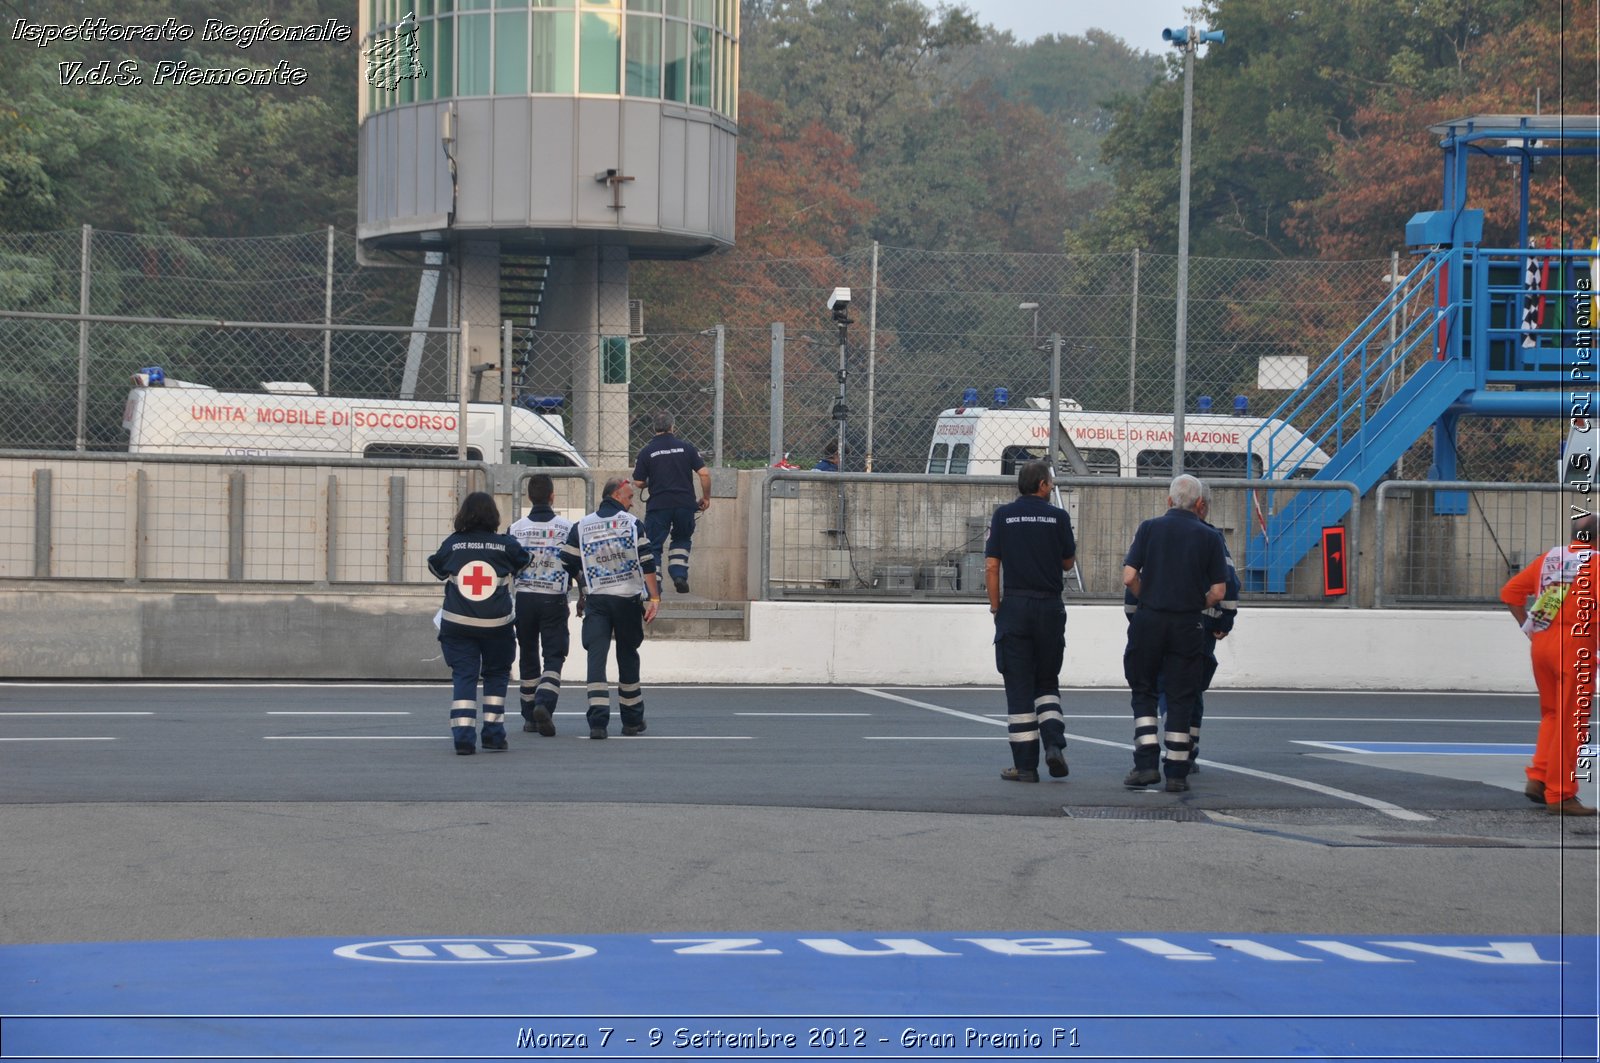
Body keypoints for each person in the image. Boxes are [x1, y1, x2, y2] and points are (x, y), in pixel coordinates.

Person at [1123, 480, 1240, 772]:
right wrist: (1214, 614)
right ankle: (1181, 763)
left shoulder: (1148, 528)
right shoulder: (1211, 536)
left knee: (1146, 689)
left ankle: (1145, 762)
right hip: (1191, 623)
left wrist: (1142, 606)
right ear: (1200, 504)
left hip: (1150, 619)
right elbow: (1224, 588)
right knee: (1186, 693)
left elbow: (1130, 578)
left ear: (1168, 500)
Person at [1499, 511, 1598, 816]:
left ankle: (1540, 778)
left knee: (1553, 715)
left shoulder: (1550, 559)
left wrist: (1528, 629)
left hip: (1542, 641)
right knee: (1573, 722)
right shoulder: (1596, 563)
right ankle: (1561, 793)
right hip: (1576, 646)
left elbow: (1511, 593)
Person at [984, 459, 1077, 783]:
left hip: (1016, 606)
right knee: (1047, 682)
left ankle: (1025, 767)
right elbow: (1068, 563)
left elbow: (992, 566)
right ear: (1041, 485)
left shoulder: (1003, 516)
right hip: (1050, 607)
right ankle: (1054, 744)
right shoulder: (1059, 517)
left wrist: (997, 607)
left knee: (1019, 686)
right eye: (1049, 483)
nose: (1051, 487)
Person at [428, 491, 530, 756]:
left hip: (457, 622)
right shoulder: (506, 544)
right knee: (496, 675)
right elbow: (524, 562)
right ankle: (493, 735)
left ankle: (463, 737)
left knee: (465, 676)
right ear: (494, 516)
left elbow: (437, 567)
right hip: (497, 625)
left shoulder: (453, 543)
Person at [562, 477, 662, 739]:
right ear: (617, 495)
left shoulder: (582, 525)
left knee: (596, 657)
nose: (631, 503)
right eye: (629, 498)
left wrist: (583, 587)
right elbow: (647, 562)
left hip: (597, 600)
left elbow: (567, 560)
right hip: (627, 600)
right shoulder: (631, 524)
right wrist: (654, 598)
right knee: (627, 655)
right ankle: (631, 720)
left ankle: (597, 722)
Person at [508, 474, 581, 738]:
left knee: (527, 653)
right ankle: (544, 704)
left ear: (529, 497)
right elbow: (576, 565)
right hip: (554, 597)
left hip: (524, 598)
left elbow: (509, 564)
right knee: (553, 654)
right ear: (552, 496)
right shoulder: (566, 528)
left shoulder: (515, 528)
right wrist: (583, 596)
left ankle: (529, 716)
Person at [632, 410, 711, 595]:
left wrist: (653, 481)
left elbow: (638, 482)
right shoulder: (686, 448)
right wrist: (706, 497)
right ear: (672, 426)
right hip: (685, 504)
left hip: (659, 505)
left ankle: (655, 587)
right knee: (682, 538)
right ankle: (679, 575)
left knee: (653, 545)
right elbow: (704, 474)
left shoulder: (647, 451)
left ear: (654, 428)